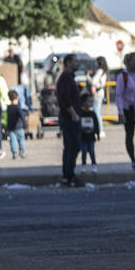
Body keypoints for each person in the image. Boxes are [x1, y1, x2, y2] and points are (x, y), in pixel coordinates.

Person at [56, 53, 84, 187]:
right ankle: (68, 175)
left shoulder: (69, 77)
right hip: (69, 118)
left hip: (71, 116)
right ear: (68, 63)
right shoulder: (66, 77)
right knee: (74, 146)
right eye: (75, 61)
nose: (77, 63)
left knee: (70, 146)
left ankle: (67, 175)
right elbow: (65, 98)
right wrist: (73, 113)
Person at [78, 92, 101, 169]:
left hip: (91, 136)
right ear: (83, 102)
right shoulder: (80, 113)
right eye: (88, 101)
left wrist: (97, 134)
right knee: (84, 151)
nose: (90, 103)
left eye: (91, 101)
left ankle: (94, 164)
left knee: (91, 151)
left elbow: (96, 124)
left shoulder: (92, 114)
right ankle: (84, 165)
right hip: (83, 137)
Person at [4, 89, 27, 159]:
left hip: (10, 128)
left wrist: (7, 127)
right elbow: (22, 116)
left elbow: (8, 118)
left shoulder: (9, 107)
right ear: (17, 98)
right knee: (21, 139)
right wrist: (25, 124)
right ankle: (21, 151)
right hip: (18, 127)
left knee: (12, 141)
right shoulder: (17, 107)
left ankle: (14, 153)